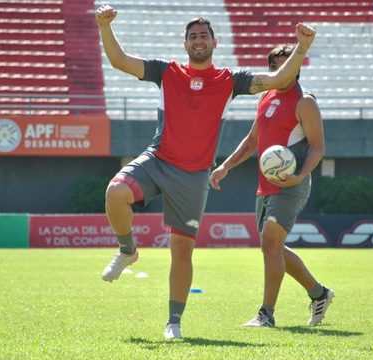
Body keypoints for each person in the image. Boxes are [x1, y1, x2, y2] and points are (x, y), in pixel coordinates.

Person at [95, 4, 316, 339]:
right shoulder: (166, 71)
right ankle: (128, 250)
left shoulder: (230, 80)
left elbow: (278, 79)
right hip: (158, 160)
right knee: (115, 193)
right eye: (192, 36)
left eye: (203, 35)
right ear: (185, 45)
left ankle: (173, 323)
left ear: (215, 42)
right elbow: (119, 61)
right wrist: (104, 26)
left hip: (194, 175)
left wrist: (301, 46)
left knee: (181, 250)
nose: (198, 40)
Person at [209, 44, 334, 328]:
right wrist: (225, 166)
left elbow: (318, 148)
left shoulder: (306, 102)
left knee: (270, 244)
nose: (283, 70)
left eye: (288, 64)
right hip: (264, 186)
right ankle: (319, 294)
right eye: (277, 65)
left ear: (297, 66)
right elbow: (252, 140)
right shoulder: (265, 96)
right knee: (273, 247)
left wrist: (299, 177)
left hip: (291, 185)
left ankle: (266, 315)